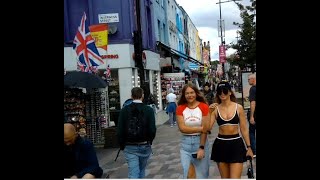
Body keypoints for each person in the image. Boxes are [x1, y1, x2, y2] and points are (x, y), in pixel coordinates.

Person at [209, 81, 253, 179]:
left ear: (230, 92)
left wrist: (249, 147)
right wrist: (208, 113)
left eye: (225, 91)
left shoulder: (239, 108)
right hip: (221, 144)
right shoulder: (215, 109)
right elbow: (208, 128)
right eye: (219, 91)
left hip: (236, 144)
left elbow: (244, 129)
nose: (222, 94)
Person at [116, 87, 157, 178]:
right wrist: (149, 141)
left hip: (129, 146)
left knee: (133, 172)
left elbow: (120, 130)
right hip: (144, 145)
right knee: (141, 170)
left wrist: (122, 144)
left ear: (131, 96)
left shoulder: (124, 110)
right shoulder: (149, 110)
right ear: (142, 96)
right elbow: (152, 129)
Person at [176, 84, 210, 179]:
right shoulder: (180, 108)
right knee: (187, 174)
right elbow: (182, 128)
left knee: (201, 175)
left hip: (200, 142)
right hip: (185, 145)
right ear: (184, 95)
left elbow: (205, 130)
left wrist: (201, 147)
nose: (190, 95)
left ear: (196, 93)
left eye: (192, 92)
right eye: (187, 93)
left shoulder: (203, 107)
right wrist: (200, 128)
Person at [248, 73, 256, 157]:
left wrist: (251, 116)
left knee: (252, 132)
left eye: (249, 79)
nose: (248, 81)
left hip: (255, 115)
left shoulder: (253, 89)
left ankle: (254, 150)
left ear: (253, 79)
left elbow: (253, 103)